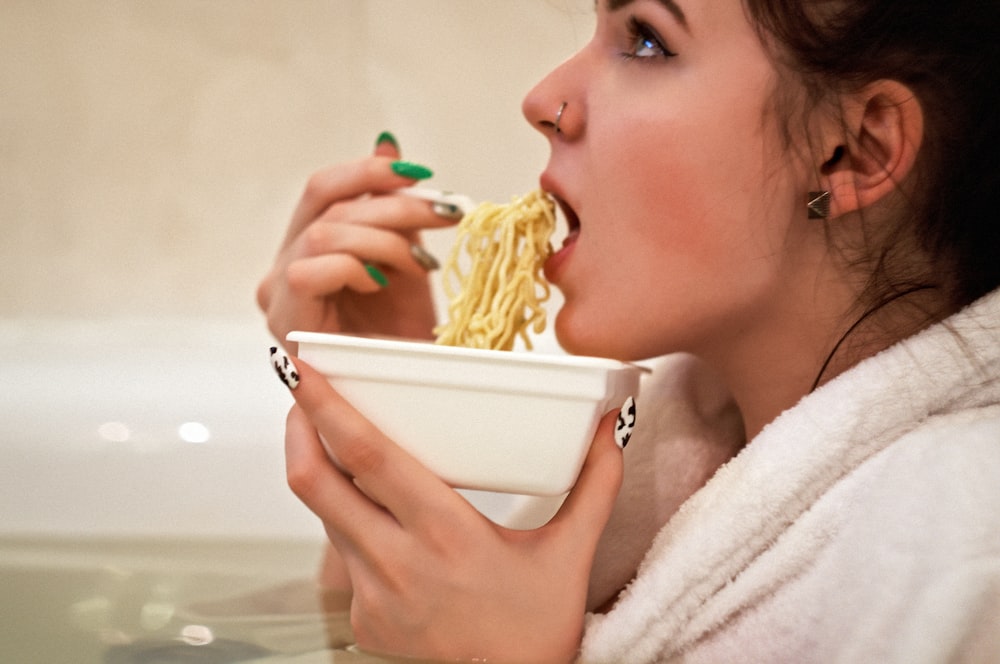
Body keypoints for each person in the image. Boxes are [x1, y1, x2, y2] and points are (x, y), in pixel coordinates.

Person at [257, 0, 1000, 661]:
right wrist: (396, 410)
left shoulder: (964, 549)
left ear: (854, 150)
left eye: (646, 38)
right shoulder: (688, 454)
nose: (543, 100)